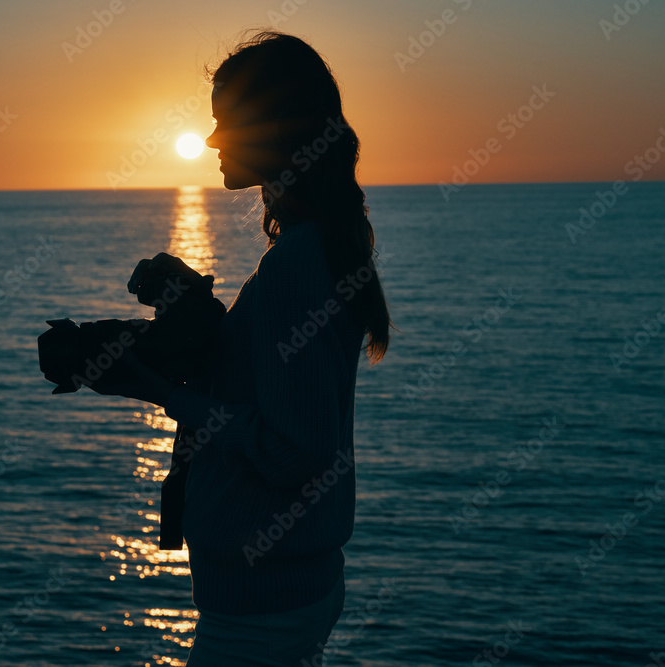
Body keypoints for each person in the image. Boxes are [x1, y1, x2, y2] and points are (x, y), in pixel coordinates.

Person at [83, 30, 393, 666]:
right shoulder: (313, 248)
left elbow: (294, 451)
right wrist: (200, 329)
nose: (213, 140)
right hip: (281, 591)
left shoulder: (295, 268)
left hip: (262, 606)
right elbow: (279, 381)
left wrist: (160, 392)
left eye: (229, 122)